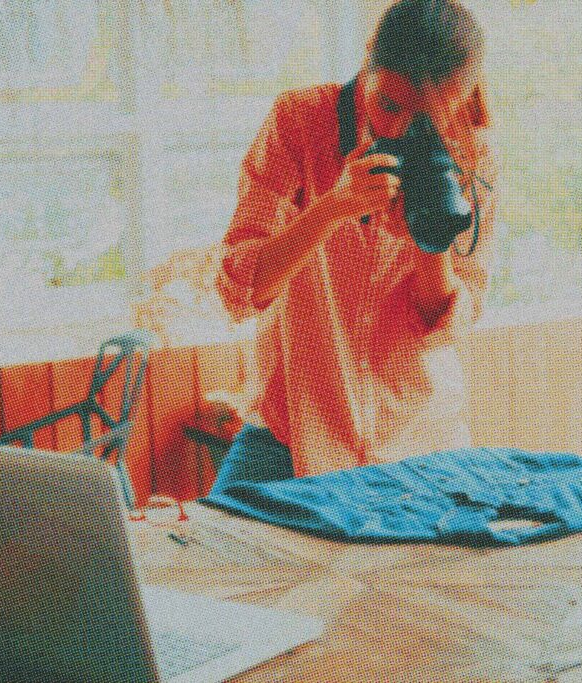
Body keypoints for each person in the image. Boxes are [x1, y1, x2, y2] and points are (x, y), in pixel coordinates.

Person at [209, 0, 497, 492]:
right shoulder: (299, 123)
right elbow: (239, 290)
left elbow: (446, 324)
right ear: (368, 57)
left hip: (416, 436)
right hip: (292, 430)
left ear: (458, 99)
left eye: (427, 116)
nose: (398, 128)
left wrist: (427, 236)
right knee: (220, 548)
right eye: (389, 103)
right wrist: (330, 209)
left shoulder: (471, 154)